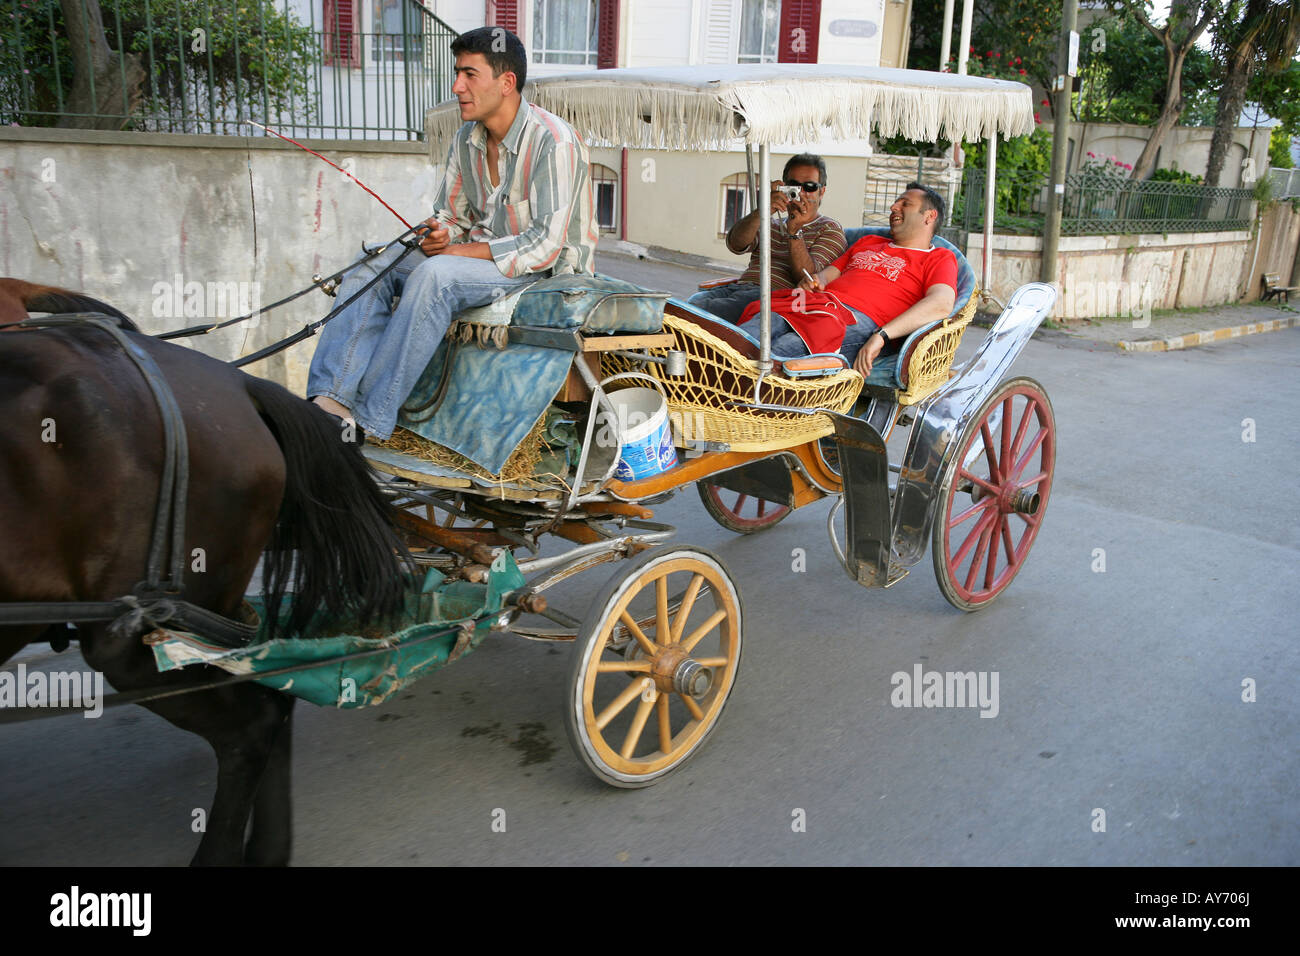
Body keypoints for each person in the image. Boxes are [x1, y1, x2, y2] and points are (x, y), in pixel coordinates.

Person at [307, 26, 596, 440]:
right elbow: (450, 216)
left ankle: (369, 423)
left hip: (544, 273)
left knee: (435, 276)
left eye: (469, 74)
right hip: (480, 263)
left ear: (506, 82)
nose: (457, 86)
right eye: (457, 73)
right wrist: (439, 235)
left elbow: (545, 247)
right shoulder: (467, 139)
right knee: (374, 260)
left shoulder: (554, 141)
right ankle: (330, 402)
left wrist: (455, 255)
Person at [799, 182, 958, 387]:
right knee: (759, 326)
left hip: (861, 320)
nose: (893, 207)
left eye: (905, 204)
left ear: (929, 216)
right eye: (895, 202)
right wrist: (817, 280)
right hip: (816, 304)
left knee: (786, 347)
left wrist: (882, 335)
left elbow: (941, 303)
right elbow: (828, 275)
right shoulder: (868, 242)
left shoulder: (940, 258)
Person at [687, 154, 846, 325]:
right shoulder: (770, 221)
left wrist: (794, 232)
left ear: (822, 191)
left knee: (695, 314)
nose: (800, 193)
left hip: (774, 299)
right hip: (739, 289)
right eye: (794, 186)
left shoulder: (830, 229)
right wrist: (762, 210)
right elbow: (735, 244)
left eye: (809, 187)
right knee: (685, 306)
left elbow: (806, 277)